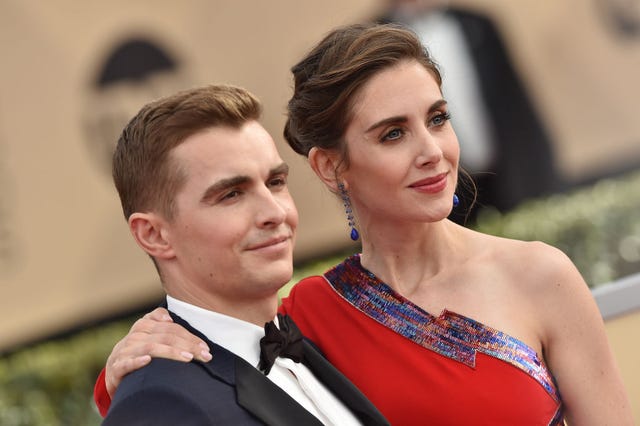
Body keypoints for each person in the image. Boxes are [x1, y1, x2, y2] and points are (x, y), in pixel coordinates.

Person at [95, 24, 633, 425]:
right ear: (331, 167)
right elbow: (206, 372)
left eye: (438, 119)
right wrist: (121, 365)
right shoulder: (306, 317)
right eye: (392, 134)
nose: (432, 152)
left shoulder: (539, 276)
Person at [99, 83, 389, 425]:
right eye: (232, 195)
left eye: (276, 182)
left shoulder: (314, 347)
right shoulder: (157, 405)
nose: (275, 212)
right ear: (154, 235)